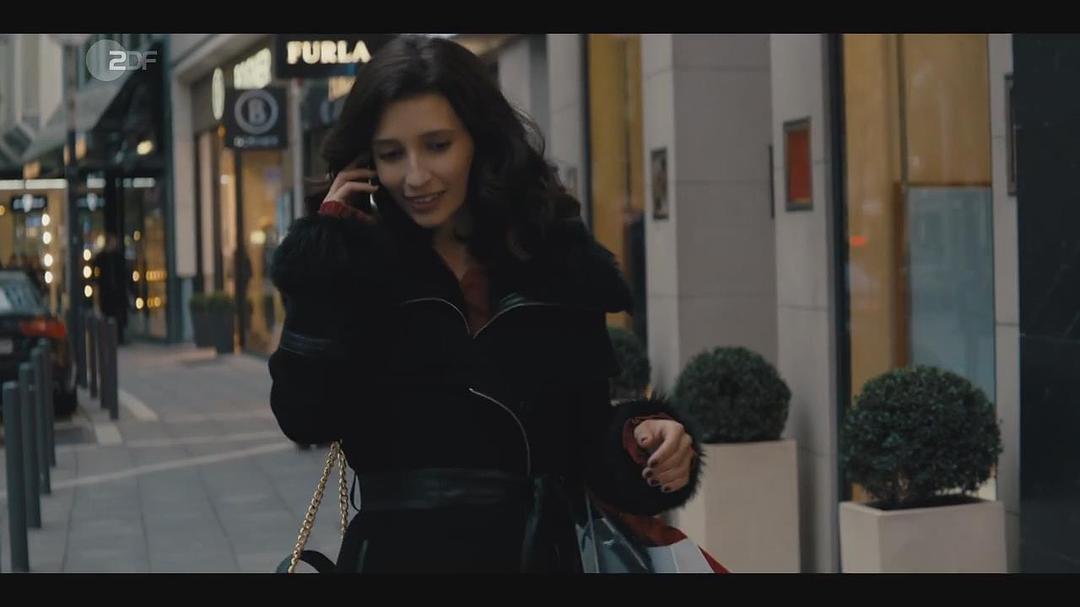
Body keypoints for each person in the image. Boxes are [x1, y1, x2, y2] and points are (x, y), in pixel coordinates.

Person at [268, 34, 706, 573]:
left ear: (480, 139)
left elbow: (585, 439)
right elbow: (304, 415)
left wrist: (644, 442)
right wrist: (326, 259)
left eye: (437, 145)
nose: (416, 176)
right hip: (398, 559)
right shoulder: (356, 268)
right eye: (392, 153)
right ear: (365, 162)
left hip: (537, 557)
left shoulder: (552, 259)